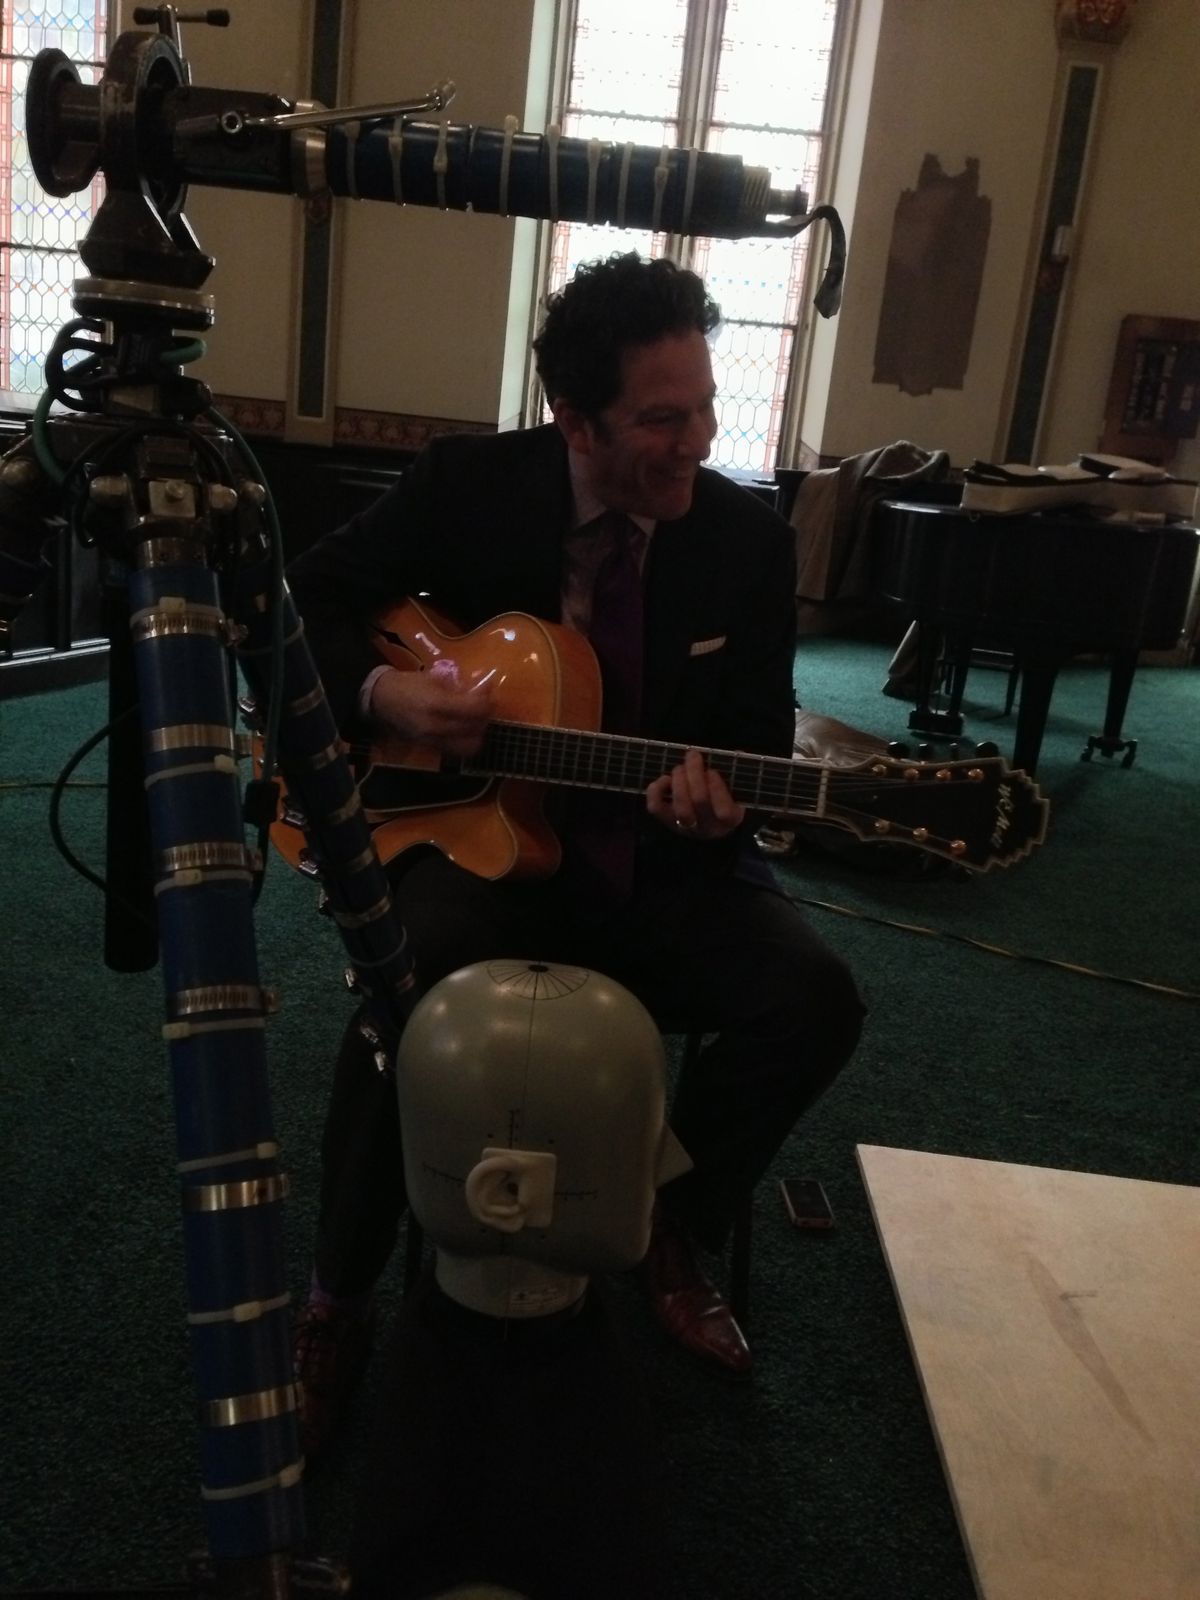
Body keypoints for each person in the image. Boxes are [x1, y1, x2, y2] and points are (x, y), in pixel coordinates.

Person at [286, 252, 866, 1460]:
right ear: (575, 418)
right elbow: (305, 601)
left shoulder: (747, 545)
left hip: (661, 868)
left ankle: (668, 1223)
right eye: (662, 419)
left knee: (816, 999)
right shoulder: (468, 484)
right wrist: (388, 693)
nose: (698, 441)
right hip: (480, 847)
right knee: (401, 989)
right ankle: (337, 1297)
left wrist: (721, 809)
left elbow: (757, 742)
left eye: (706, 405)